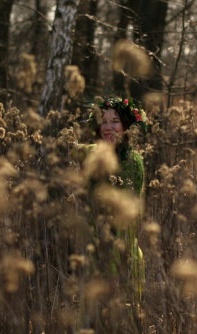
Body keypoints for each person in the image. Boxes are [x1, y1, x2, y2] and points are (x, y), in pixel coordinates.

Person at [72, 96, 147, 302]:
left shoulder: (132, 161)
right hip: (93, 252)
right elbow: (72, 151)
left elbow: (126, 218)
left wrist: (115, 267)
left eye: (114, 121)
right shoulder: (93, 153)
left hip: (122, 254)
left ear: (126, 126)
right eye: (103, 122)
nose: (108, 127)